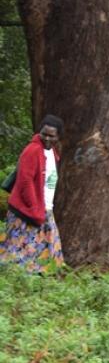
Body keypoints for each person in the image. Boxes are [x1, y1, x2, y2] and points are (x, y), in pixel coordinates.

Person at [0, 115, 65, 273]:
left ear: (58, 137)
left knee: (50, 246)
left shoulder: (52, 152)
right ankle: (15, 279)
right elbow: (25, 181)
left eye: (52, 135)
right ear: (39, 132)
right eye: (44, 134)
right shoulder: (32, 150)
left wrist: (44, 207)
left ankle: (41, 277)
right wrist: (34, 206)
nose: (47, 138)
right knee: (15, 249)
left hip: (45, 207)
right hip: (25, 209)